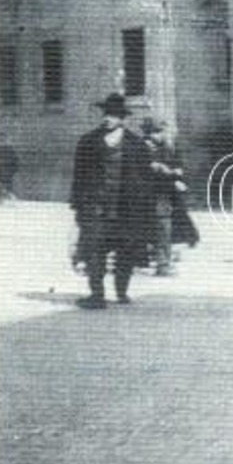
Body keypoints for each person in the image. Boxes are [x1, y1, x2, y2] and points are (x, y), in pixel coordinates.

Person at [70, 93, 155, 309]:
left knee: (125, 251)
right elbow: (79, 176)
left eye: (113, 115)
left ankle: (121, 291)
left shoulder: (137, 145)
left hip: (126, 209)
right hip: (96, 207)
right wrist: (78, 205)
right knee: (95, 250)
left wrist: (145, 209)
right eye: (106, 113)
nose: (107, 118)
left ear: (123, 119)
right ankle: (97, 295)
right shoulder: (88, 141)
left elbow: (146, 179)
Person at [141, 117, 183, 276]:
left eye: (161, 131)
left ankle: (163, 263)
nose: (159, 135)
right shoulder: (144, 147)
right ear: (148, 133)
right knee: (161, 228)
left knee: (164, 228)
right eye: (155, 132)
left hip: (163, 194)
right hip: (150, 194)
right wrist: (169, 172)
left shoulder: (166, 146)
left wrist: (177, 172)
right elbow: (151, 169)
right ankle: (162, 264)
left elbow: (174, 163)